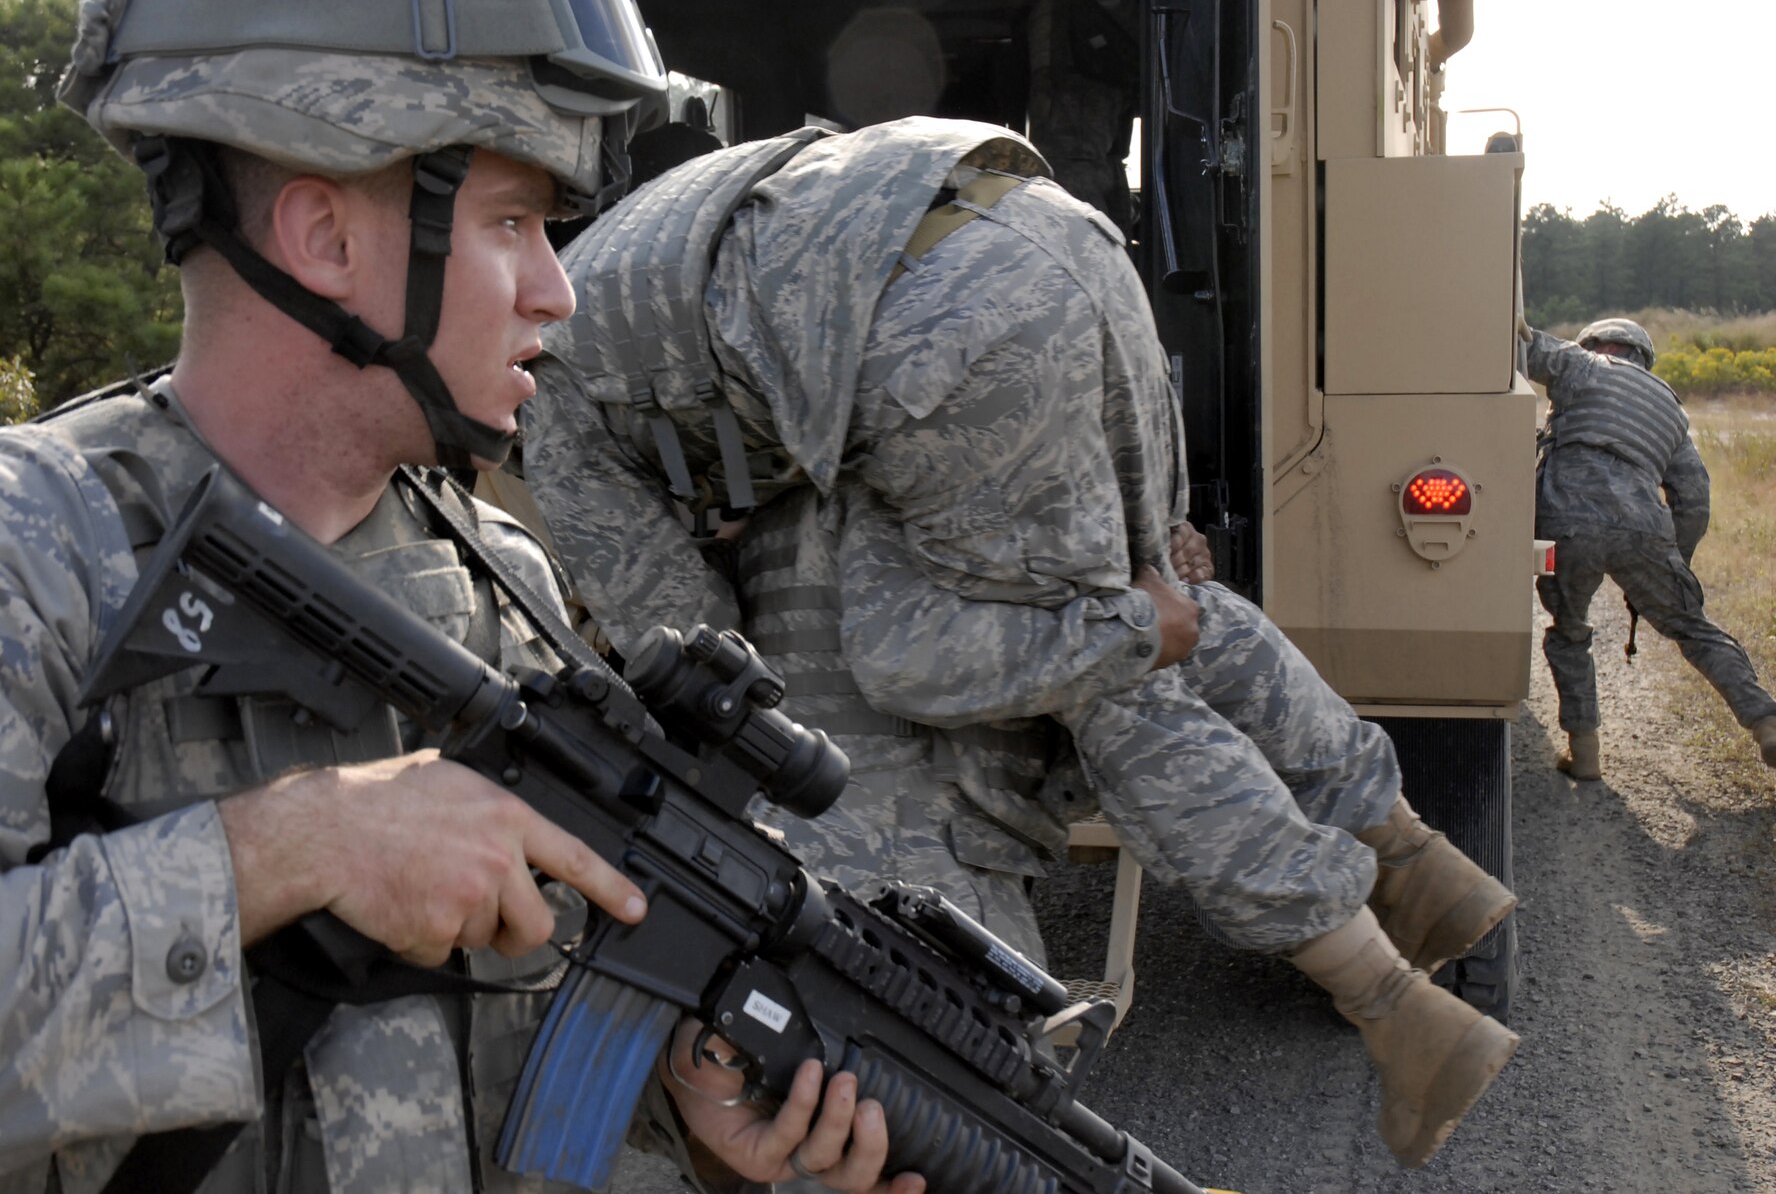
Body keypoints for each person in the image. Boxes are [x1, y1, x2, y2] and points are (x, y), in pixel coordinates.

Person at [0, 0, 918, 1194]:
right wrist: (278, 851)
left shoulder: (496, 581)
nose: (561, 288)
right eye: (510, 223)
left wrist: (688, 1113)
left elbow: (498, 1052)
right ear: (325, 238)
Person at [522, 117, 1519, 1170]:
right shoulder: (668, 251)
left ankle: (1390, 1002)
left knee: (1005, 652)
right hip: (1054, 243)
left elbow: (705, 665)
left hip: (939, 329)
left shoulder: (546, 393)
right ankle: (1405, 851)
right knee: (1137, 605)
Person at [1523, 317, 1776, 779]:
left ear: (1598, 344)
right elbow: (1693, 498)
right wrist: (1673, 562)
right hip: (1643, 527)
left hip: (1566, 519)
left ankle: (1585, 753)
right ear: (1644, 356)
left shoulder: (1581, 364)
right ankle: (1766, 721)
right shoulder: (1673, 411)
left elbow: (1520, 343)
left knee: (1570, 630)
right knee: (1693, 628)